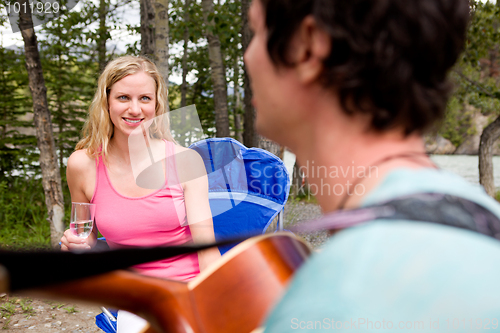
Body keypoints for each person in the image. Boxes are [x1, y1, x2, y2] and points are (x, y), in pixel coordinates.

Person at [243, 0, 500, 331]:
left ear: (308, 47)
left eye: (257, 32)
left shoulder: (336, 297)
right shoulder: (481, 217)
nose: (249, 56)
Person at [60, 55, 220, 332]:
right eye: (123, 97)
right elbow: (85, 232)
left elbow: (208, 252)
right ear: (106, 102)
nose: (135, 109)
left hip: (192, 289)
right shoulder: (82, 165)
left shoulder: (185, 161)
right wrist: (76, 241)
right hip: (136, 298)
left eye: (145, 98)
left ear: (156, 104)